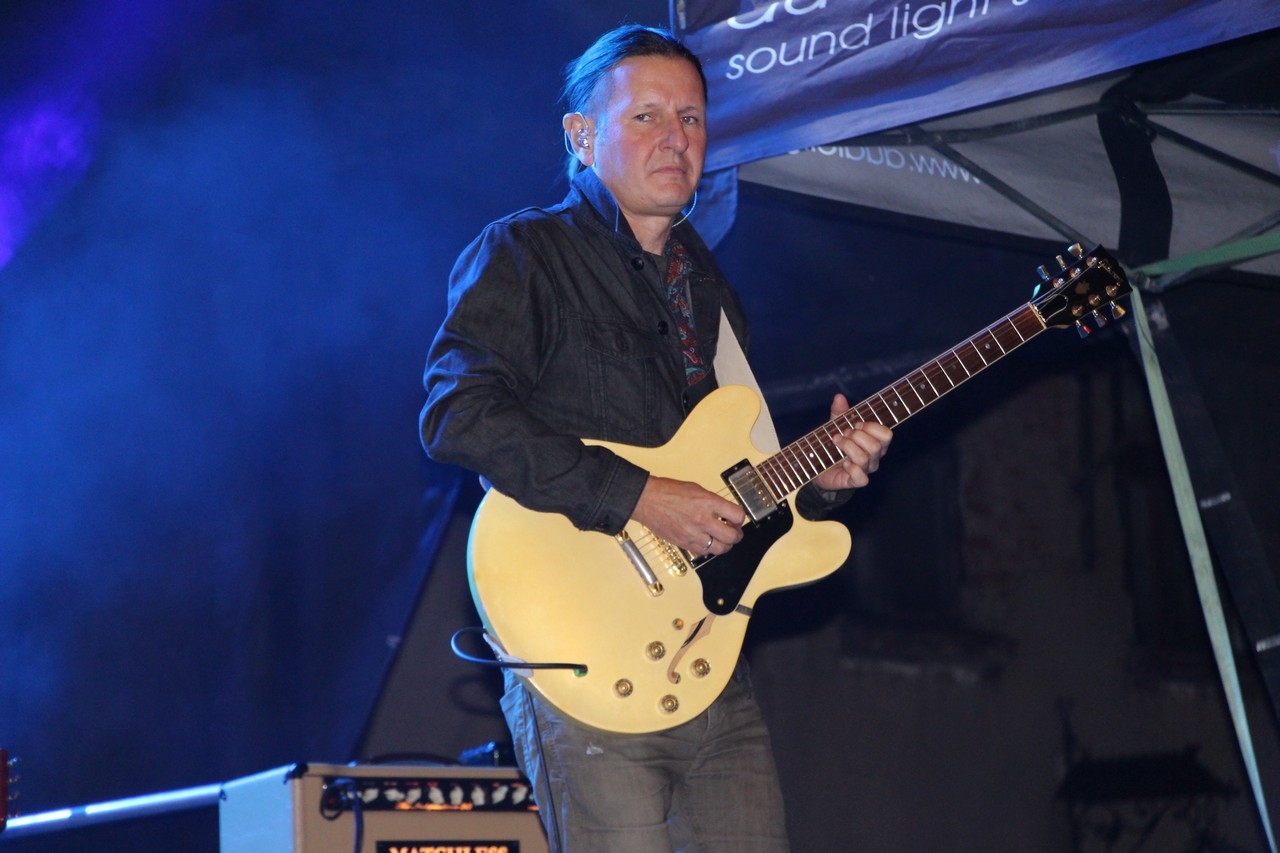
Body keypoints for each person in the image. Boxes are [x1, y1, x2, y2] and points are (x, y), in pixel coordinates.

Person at [420, 24, 892, 852]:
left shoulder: (711, 290)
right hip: (581, 651)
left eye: (692, 118)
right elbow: (457, 413)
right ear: (581, 135)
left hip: (710, 657)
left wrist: (821, 483)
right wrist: (639, 496)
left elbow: (739, 482)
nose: (677, 138)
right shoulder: (527, 251)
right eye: (647, 117)